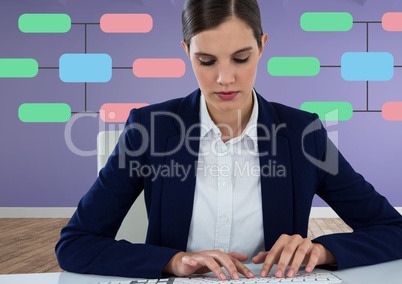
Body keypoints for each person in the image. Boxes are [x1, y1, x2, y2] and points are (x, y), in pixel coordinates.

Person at [56, 0, 402, 280]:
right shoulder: (149, 129)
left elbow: (392, 229)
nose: (225, 78)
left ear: (262, 46)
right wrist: (174, 262)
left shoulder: (302, 134)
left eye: (241, 58)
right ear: (186, 51)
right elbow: (75, 244)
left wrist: (321, 252)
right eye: (206, 61)